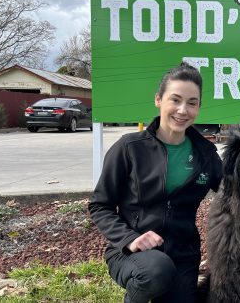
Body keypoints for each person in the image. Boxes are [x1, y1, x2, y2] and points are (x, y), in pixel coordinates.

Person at [88, 63, 222, 303]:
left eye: (192, 103)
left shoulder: (206, 154)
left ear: (199, 108)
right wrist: (130, 238)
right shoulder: (129, 148)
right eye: (175, 100)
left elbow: (236, 192)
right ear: (159, 100)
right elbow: (100, 205)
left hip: (183, 255)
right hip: (131, 252)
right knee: (155, 272)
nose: (183, 110)